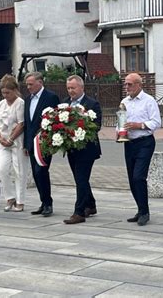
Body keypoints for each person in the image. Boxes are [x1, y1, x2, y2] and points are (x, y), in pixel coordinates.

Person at [120, 73, 161, 226]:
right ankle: (140, 208)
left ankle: (145, 212)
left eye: (130, 84)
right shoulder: (125, 101)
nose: (127, 87)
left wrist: (140, 125)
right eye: (125, 84)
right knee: (131, 179)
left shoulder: (149, 101)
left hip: (145, 142)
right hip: (129, 142)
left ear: (139, 85)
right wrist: (119, 131)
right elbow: (121, 120)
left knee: (139, 177)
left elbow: (156, 122)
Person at [62, 75, 102, 224]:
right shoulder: (65, 103)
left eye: (73, 88)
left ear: (81, 87)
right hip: (71, 149)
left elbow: (97, 125)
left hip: (87, 149)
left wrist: (81, 129)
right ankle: (90, 205)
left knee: (81, 178)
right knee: (81, 179)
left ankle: (79, 212)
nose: (70, 91)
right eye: (68, 88)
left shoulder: (92, 103)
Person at [23, 72, 59, 217]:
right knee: (36, 174)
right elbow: (27, 123)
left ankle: (48, 203)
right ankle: (43, 202)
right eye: (27, 84)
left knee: (41, 171)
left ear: (40, 82)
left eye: (31, 84)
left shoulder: (50, 97)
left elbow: (55, 120)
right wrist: (26, 144)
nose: (28, 87)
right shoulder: (27, 100)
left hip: (44, 142)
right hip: (31, 143)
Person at [0, 74, 28, 212]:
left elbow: (21, 124)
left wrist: (11, 139)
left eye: (8, 92)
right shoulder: (1, 104)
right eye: (3, 92)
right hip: (2, 142)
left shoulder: (20, 103)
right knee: (2, 169)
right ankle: (9, 197)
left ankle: (20, 200)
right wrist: (0, 138)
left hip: (17, 142)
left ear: (15, 90)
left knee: (19, 171)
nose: (5, 95)